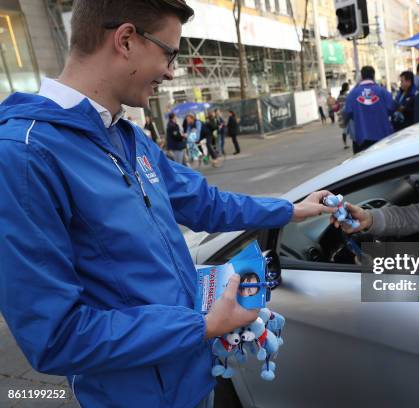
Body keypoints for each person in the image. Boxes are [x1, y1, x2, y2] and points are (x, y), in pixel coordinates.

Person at [0, 1, 335, 407]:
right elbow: (54, 337)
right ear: (125, 40)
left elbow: (203, 203)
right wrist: (199, 326)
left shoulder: (126, 136)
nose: (172, 71)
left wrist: (289, 209)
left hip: (194, 376)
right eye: (169, 53)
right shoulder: (24, 155)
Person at [343, 65, 396, 154]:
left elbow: (348, 113)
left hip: (362, 138)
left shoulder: (352, 94)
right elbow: (391, 109)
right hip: (383, 137)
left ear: (362, 76)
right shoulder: (383, 92)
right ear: (373, 76)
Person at [336, 82, 350, 149]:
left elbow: (338, 105)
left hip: (342, 114)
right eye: (348, 86)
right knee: (348, 128)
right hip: (347, 113)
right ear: (346, 87)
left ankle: (345, 144)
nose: (349, 87)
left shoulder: (339, 96)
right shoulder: (346, 96)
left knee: (344, 130)